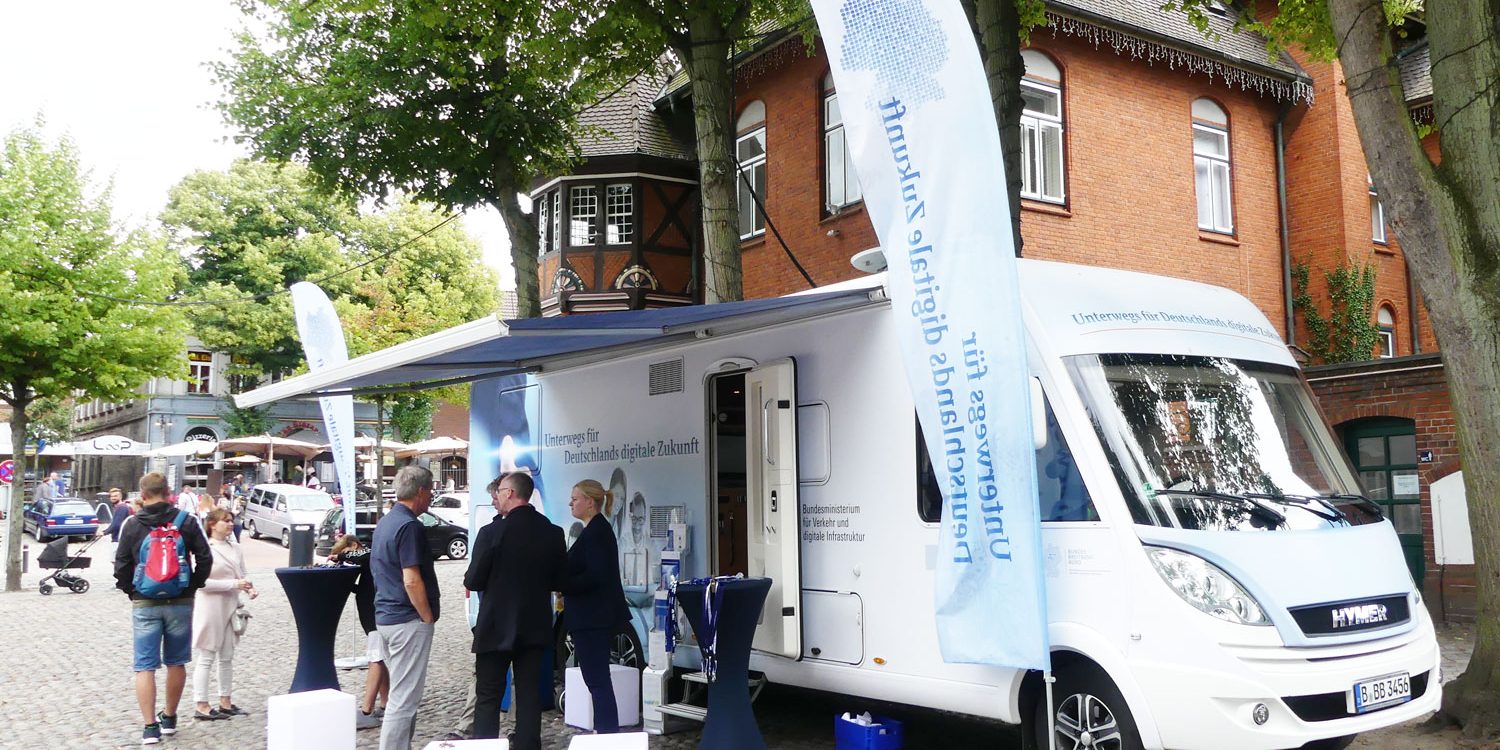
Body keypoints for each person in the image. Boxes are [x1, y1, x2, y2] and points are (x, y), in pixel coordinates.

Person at [464, 471, 566, 747]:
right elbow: (560, 580)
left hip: (495, 626)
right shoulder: (553, 532)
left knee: (488, 695)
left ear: (509, 493)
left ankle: (484, 744)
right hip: (534, 625)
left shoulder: (492, 532)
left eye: (499, 492)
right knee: (529, 693)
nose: (496, 496)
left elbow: (473, 580)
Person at [114, 472, 213, 746]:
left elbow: (121, 565)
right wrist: (193, 585)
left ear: (143, 496)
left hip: (145, 601)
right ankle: (169, 718)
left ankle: (149, 728)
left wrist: (131, 591)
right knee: (176, 661)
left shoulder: (132, 525)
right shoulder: (187, 522)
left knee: (144, 666)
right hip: (180, 601)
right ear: (169, 493)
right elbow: (205, 558)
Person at [370, 466, 439, 750]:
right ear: (420, 492)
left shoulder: (387, 522)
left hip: (387, 616)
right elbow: (411, 579)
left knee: (401, 695)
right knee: (403, 698)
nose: (432, 495)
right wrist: (426, 618)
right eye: (431, 490)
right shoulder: (410, 526)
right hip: (406, 619)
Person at [562, 479, 631, 734]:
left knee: (598, 680)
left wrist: (563, 584)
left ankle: (607, 733)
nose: (571, 503)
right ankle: (606, 731)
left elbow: (595, 576)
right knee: (596, 680)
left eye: (575, 499)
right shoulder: (594, 530)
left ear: (590, 502)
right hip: (591, 617)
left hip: (593, 618)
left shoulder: (597, 532)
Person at [191, 508, 256, 721]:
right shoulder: (204, 549)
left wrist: (248, 587)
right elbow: (201, 583)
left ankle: (225, 700)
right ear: (212, 524)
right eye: (225, 521)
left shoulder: (235, 547)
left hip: (231, 604)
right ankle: (201, 703)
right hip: (210, 607)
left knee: (227, 656)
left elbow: (242, 574)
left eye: (231, 521)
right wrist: (234, 584)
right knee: (207, 655)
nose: (230, 524)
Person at [329, 535, 389, 729]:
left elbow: (362, 556)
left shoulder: (368, 553)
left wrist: (339, 558)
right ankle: (385, 702)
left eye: (347, 553)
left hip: (376, 616)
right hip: (372, 616)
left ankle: (366, 709)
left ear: (353, 546)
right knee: (379, 657)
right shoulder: (368, 563)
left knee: (375, 658)